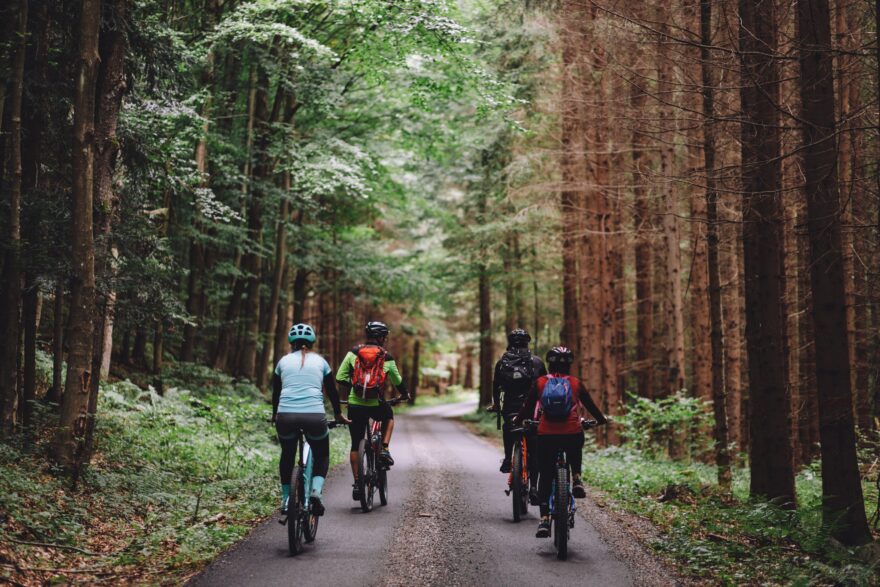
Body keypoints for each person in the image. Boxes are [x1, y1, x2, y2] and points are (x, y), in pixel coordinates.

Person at [515, 346, 607, 538]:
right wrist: (601, 420)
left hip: (546, 434)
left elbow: (527, 407)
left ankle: (544, 520)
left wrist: (518, 421)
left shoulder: (540, 383)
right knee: (575, 444)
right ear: (569, 365)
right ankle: (577, 478)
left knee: (546, 475)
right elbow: (590, 405)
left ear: (550, 363)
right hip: (571, 432)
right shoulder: (575, 383)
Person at [272, 323, 349, 517]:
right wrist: (338, 414)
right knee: (322, 454)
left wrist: (275, 414)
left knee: (287, 455)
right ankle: (315, 491)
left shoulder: (283, 362)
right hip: (314, 416)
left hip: (286, 416)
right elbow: (331, 391)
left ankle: (286, 498)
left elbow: (276, 392)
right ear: (311, 342)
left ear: (292, 342)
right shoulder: (321, 362)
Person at [335, 321, 409, 501]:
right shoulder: (386, 356)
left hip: (355, 404)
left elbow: (339, 377)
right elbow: (397, 380)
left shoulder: (353, 353)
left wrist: (355, 385)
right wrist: (404, 394)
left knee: (355, 444)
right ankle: (384, 448)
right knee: (389, 417)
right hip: (375, 403)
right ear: (381, 337)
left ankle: (358, 483)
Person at [488, 328, 546, 502]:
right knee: (534, 447)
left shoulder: (502, 362)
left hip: (511, 407)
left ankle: (507, 459)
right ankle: (534, 487)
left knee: (509, 428)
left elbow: (496, 386)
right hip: (532, 409)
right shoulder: (537, 362)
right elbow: (545, 385)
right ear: (527, 342)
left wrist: (497, 404)